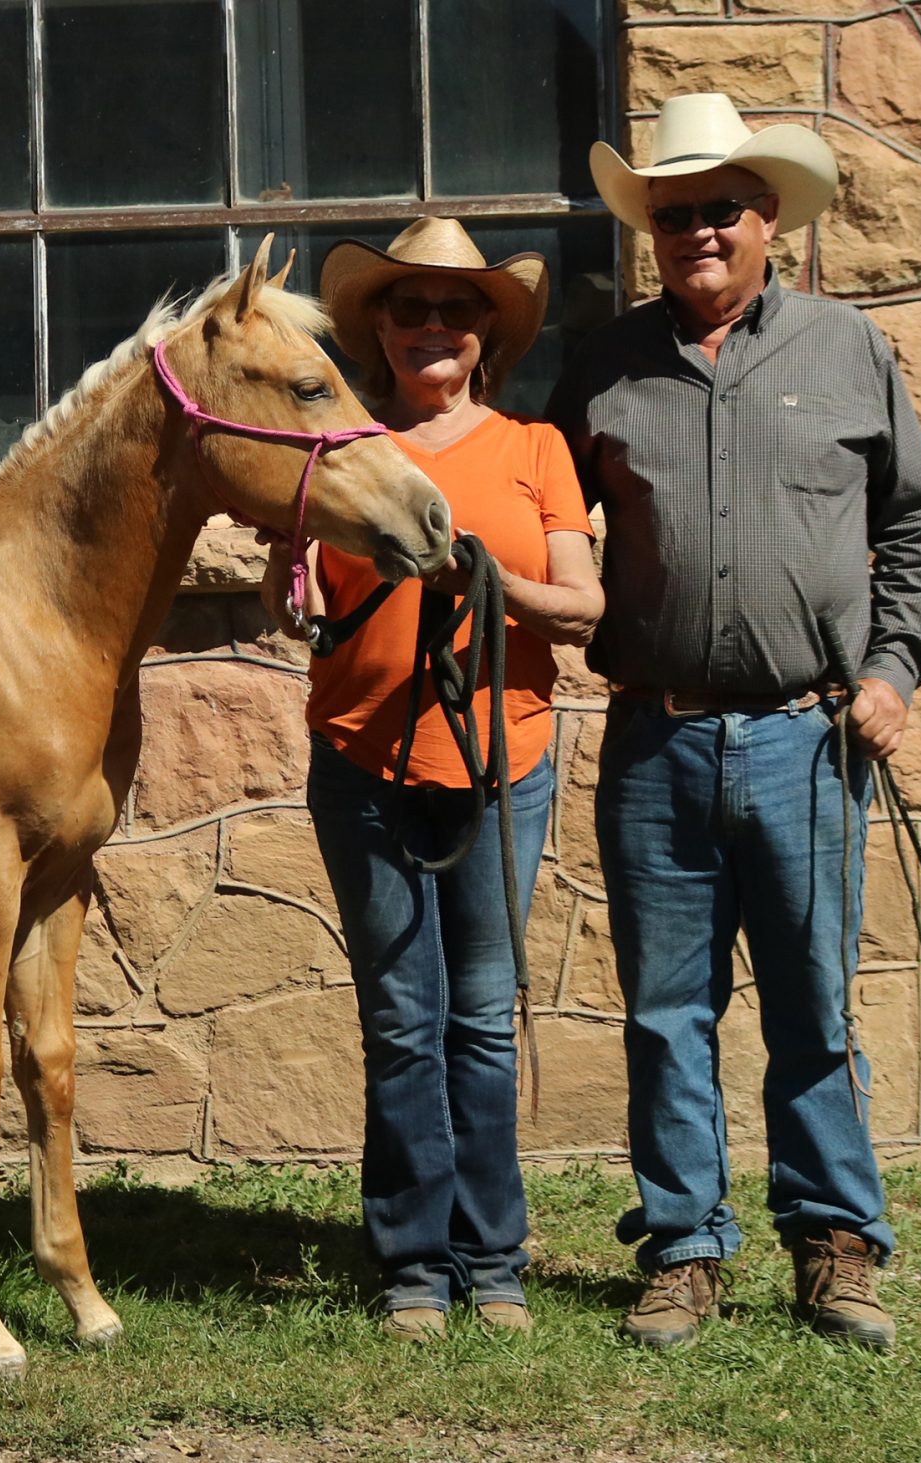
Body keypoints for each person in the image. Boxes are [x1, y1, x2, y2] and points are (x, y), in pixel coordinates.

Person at [546, 93, 921, 1352]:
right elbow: (534, 522)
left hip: (809, 738)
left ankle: (834, 1241)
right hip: (653, 740)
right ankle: (680, 1245)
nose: (696, 233)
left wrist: (892, 671)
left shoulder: (847, 351)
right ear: (650, 233)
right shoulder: (601, 368)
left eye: (718, 209)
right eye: (671, 216)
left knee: (810, 1004)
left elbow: (916, 529)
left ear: (765, 216)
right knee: (664, 1009)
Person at [262, 217, 603, 1340]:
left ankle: (489, 1255)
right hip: (362, 754)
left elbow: (582, 603)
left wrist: (483, 575)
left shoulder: (532, 448)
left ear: (484, 332)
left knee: (481, 1020)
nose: (432, 326)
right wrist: (296, 592)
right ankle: (412, 1261)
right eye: (408, 308)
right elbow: (295, 589)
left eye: (455, 310)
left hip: (501, 756)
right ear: (378, 327)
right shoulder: (340, 447)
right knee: (403, 1014)